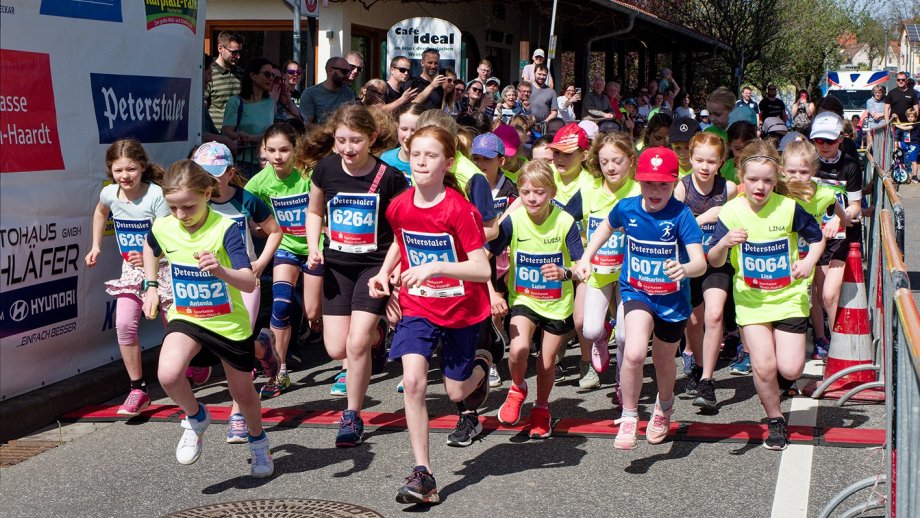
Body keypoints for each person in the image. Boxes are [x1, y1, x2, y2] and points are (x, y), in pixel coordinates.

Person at [367, 126, 493, 504]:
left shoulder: (459, 209)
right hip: (418, 305)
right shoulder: (399, 205)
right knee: (415, 382)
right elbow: (400, 241)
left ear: (448, 163)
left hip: (461, 309)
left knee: (456, 389)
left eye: (431, 155)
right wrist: (384, 272)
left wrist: (437, 266)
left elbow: (482, 270)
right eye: (416, 154)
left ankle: (482, 366)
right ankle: (424, 475)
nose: (421, 161)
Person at [141, 159, 276, 477]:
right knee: (169, 374)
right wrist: (149, 286)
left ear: (207, 193)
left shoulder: (225, 229)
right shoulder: (164, 226)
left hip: (228, 323)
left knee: (243, 395)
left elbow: (248, 280)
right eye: (173, 207)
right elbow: (151, 248)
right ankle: (196, 416)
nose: (181, 216)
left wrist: (220, 270)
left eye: (188, 207)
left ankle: (258, 443)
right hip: (187, 317)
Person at [574, 147, 706, 450]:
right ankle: (630, 415)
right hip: (637, 292)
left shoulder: (682, 216)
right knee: (633, 353)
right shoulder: (628, 207)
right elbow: (606, 226)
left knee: (662, 360)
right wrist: (586, 257)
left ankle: (664, 407)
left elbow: (700, 262)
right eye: (649, 183)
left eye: (663, 184)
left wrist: (684, 268)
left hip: (673, 301)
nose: (655, 190)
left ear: (675, 183)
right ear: (639, 181)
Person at [708, 141, 825, 450]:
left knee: (791, 368)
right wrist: (724, 244)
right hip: (751, 302)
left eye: (768, 181)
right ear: (741, 179)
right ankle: (774, 419)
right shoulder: (731, 212)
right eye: (753, 180)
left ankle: (780, 386)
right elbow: (714, 260)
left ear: (777, 181)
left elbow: (816, 239)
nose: (760, 187)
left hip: (788, 298)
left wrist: (809, 261)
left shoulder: (788, 208)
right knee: (763, 365)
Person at [305, 104, 407, 447]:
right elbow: (314, 211)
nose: (348, 148)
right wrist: (313, 245)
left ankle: (352, 415)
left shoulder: (389, 176)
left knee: (355, 342)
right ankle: (376, 335)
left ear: (372, 139)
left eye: (356, 141)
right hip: (336, 265)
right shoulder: (326, 168)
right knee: (336, 348)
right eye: (341, 140)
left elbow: (400, 230)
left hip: (372, 266)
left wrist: (390, 275)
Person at [492, 160, 584, 439]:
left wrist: (564, 272)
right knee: (518, 349)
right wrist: (492, 291)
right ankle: (517, 387)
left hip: (557, 302)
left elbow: (582, 268)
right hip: (524, 298)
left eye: (539, 192)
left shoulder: (566, 222)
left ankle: (542, 409)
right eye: (526, 192)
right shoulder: (513, 220)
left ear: (552, 193)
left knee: (546, 362)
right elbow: (485, 253)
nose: (532, 198)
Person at [85, 139, 173, 417]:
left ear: (143, 167)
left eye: (131, 169)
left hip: (165, 268)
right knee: (123, 323)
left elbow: (168, 235)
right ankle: (138, 389)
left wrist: (152, 258)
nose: (125, 176)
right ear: (110, 170)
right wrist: (96, 245)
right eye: (118, 170)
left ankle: (188, 368)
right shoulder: (110, 194)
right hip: (131, 270)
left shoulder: (156, 195)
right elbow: (100, 212)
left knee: (174, 327)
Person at [673, 132, 737, 410]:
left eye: (711, 161)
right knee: (695, 322)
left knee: (714, 315)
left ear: (721, 162)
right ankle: (698, 366)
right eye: (699, 160)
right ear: (690, 157)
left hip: (718, 262)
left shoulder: (730, 189)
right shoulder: (681, 189)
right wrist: (702, 219)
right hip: (689, 264)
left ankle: (707, 382)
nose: (704, 166)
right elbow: (673, 230)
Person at [576, 132, 640, 399]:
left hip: (630, 273)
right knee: (589, 329)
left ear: (630, 160)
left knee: (626, 337)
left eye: (617, 160)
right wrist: (580, 257)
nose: (611, 167)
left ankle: (621, 382)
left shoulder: (639, 190)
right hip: (599, 271)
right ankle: (603, 335)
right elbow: (566, 219)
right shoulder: (589, 190)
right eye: (604, 162)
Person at [782, 139, 848, 363]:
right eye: (791, 171)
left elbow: (842, 214)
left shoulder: (824, 194)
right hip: (788, 254)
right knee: (800, 298)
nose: (796, 176)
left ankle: (823, 338)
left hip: (815, 250)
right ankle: (802, 337)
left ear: (813, 170)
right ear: (782, 169)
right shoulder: (779, 192)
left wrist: (839, 222)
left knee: (819, 294)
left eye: (803, 171)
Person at [809, 112, 863, 359]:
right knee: (819, 295)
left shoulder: (851, 165)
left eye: (829, 141)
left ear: (840, 139)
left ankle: (840, 347)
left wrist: (838, 219)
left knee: (830, 294)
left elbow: (855, 206)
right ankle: (822, 339)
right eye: (819, 141)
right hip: (815, 237)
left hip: (842, 236)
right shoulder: (809, 164)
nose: (824, 146)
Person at [221, 58, 282, 179]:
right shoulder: (235, 102)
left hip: (266, 164)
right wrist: (239, 135)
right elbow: (226, 131)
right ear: (253, 75)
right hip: (241, 163)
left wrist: (251, 138)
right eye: (267, 74)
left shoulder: (270, 103)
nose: (271, 79)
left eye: (273, 76)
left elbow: (269, 134)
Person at [299, 57, 357, 127]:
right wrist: (332, 130)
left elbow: (352, 119)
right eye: (344, 71)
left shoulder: (348, 92)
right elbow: (306, 124)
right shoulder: (310, 94)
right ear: (330, 71)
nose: (348, 75)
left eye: (349, 72)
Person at [381, 103, 426, 185]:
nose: (408, 136)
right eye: (404, 129)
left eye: (414, 130)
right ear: (397, 128)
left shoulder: (429, 163)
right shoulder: (386, 159)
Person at [206, 31, 245, 124]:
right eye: (234, 52)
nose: (238, 56)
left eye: (239, 52)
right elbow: (202, 108)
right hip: (216, 134)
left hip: (239, 134)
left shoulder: (241, 74)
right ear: (220, 48)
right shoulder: (208, 72)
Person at [893, 108, 920, 183]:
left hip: (914, 145)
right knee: (896, 143)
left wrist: (895, 125)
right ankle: (898, 158)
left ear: (915, 117)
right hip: (907, 143)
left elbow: (904, 127)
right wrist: (897, 118)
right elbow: (901, 125)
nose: (910, 118)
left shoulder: (916, 124)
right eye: (908, 117)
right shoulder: (908, 123)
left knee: (913, 161)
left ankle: (914, 177)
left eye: (912, 116)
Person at [862, 85, 886, 152]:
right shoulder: (869, 101)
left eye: (879, 92)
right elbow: (874, 115)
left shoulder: (886, 100)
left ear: (882, 93)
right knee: (871, 147)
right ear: (873, 93)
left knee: (883, 147)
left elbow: (889, 111)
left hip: (884, 126)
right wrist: (884, 115)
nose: (877, 94)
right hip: (873, 126)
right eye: (876, 92)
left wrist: (881, 114)